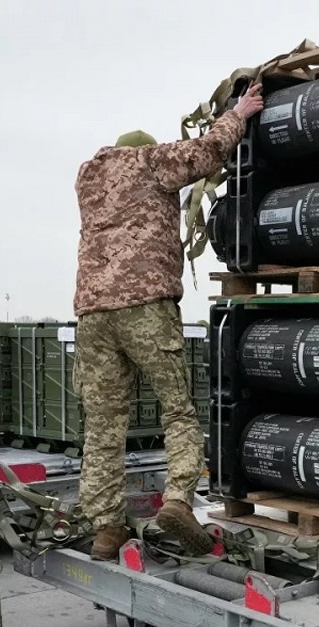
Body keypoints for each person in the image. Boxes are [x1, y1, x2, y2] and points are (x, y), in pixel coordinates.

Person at [72, 83, 265, 561]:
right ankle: (178, 499)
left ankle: (106, 529)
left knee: (102, 427)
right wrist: (238, 114)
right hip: (145, 306)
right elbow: (205, 153)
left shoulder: (88, 178)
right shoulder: (150, 162)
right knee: (177, 409)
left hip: (92, 314)